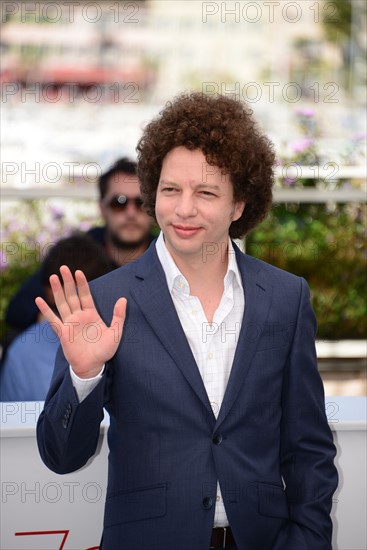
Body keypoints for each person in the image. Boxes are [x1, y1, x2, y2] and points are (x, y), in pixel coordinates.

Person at [36, 92, 338, 550]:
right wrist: (84, 375)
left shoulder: (284, 298)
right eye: (171, 189)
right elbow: (61, 457)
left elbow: (308, 449)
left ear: (239, 205)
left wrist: (307, 541)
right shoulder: (106, 299)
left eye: (206, 193)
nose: (183, 209)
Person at [4, 157, 155, 333]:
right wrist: (58, 320)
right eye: (118, 203)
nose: (130, 212)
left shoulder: (167, 252)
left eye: (140, 202)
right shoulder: (77, 253)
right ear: (101, 208)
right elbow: (18, 309)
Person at [0, 234, 112, 401]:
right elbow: (10, 422)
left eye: (83, 305)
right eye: (60, 307)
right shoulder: (23, 352)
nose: (72, 322)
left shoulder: (128, 340)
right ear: (48, 292)